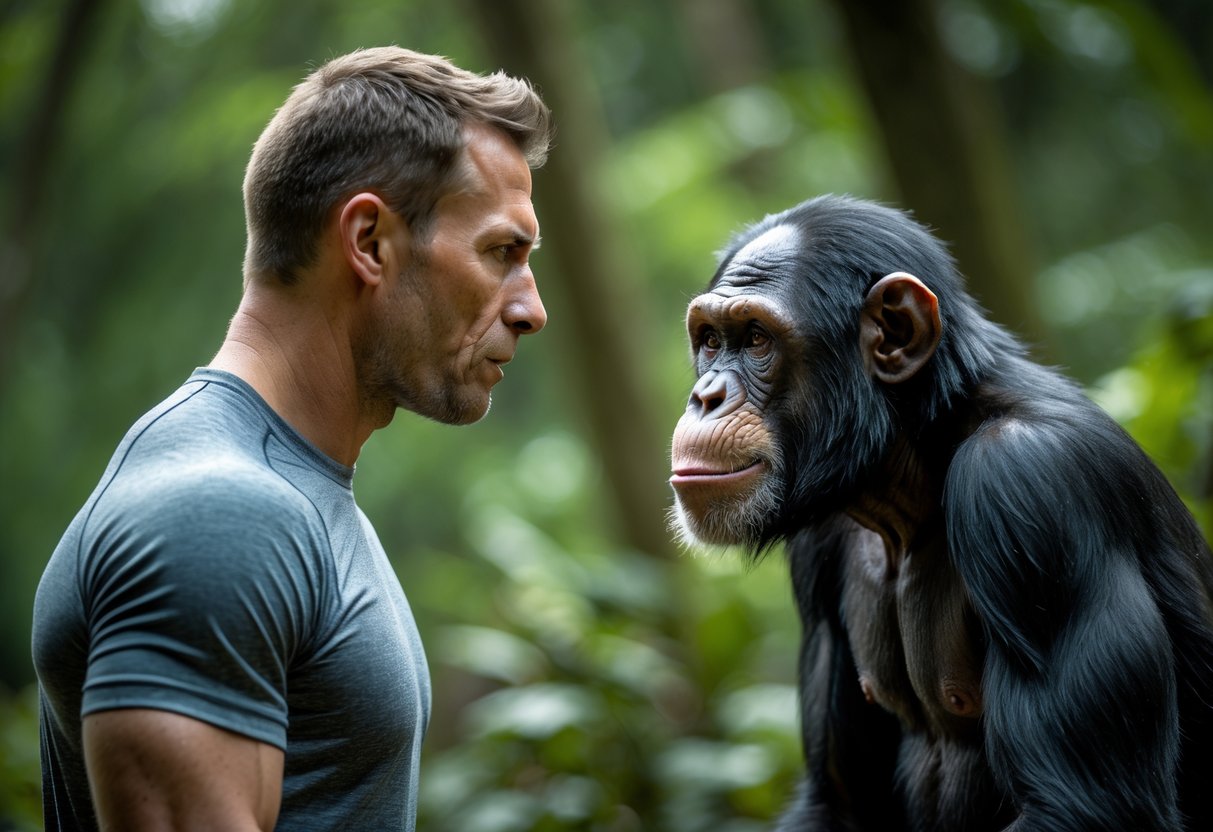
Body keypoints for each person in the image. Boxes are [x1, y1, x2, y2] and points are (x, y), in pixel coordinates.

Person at [32, 46, 552, 831]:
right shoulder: (218, 517)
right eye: (501, 253)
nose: (530, 308)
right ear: (370, 242)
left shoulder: (284, 492)